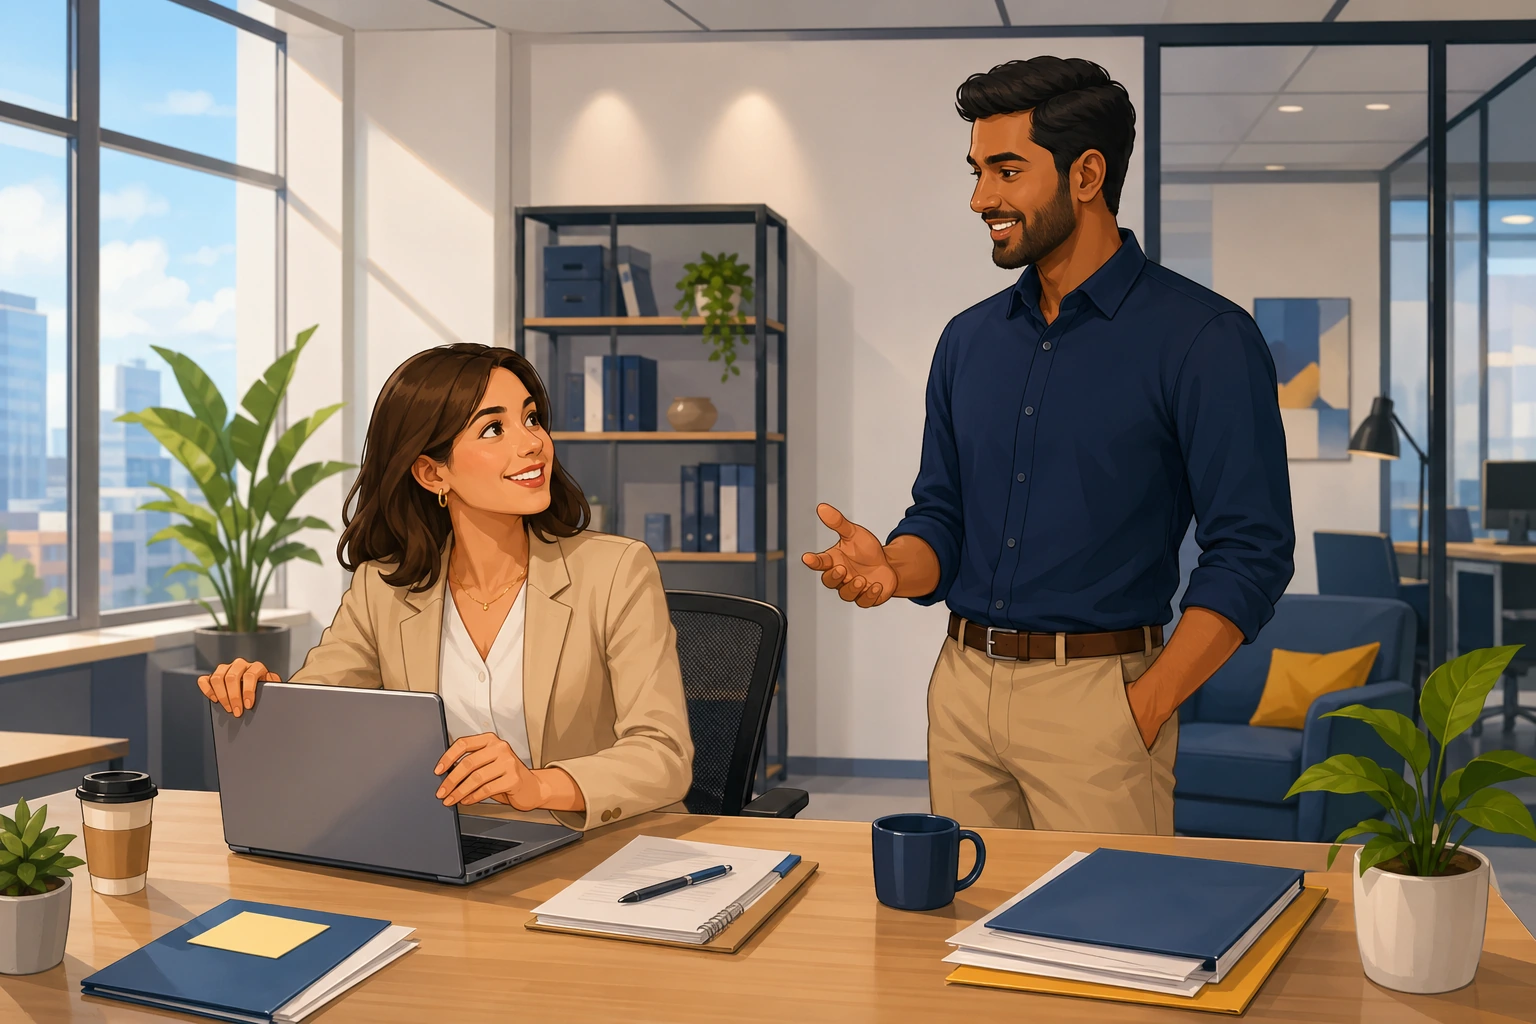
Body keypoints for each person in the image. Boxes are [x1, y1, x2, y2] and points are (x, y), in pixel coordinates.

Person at [802, 56, 1294, 835]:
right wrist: (893, 568)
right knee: (967, 933)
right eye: (976, 171)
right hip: (962, 691)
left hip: (1101, 701)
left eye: (1006, 171)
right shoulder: (967, 342)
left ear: (1087, 174)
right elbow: (942, 517)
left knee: (1105, 945)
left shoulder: (1204, 339)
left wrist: (1144, 706)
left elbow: (1252, 551)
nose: (980, 199)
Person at [199, 343, 694, 832]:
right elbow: (320, 716)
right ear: (432, 472)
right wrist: (260, 696)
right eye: (494, 429)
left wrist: (537, 785)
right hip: (449, 851)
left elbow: (662, 754)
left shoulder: (615, 571)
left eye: (531, 419)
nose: (532, 443)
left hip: (599, 854)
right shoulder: (384, 587)